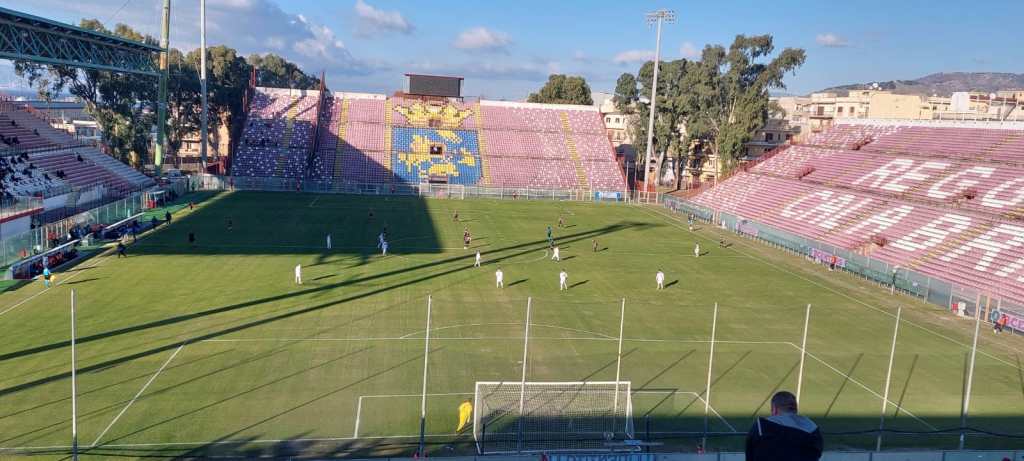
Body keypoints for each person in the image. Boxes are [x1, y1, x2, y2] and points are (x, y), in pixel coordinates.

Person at [745, 390, 823, 461]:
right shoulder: (813, 428)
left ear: (774, 409)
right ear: (795, 409)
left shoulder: (761, 426)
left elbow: (750, 455)